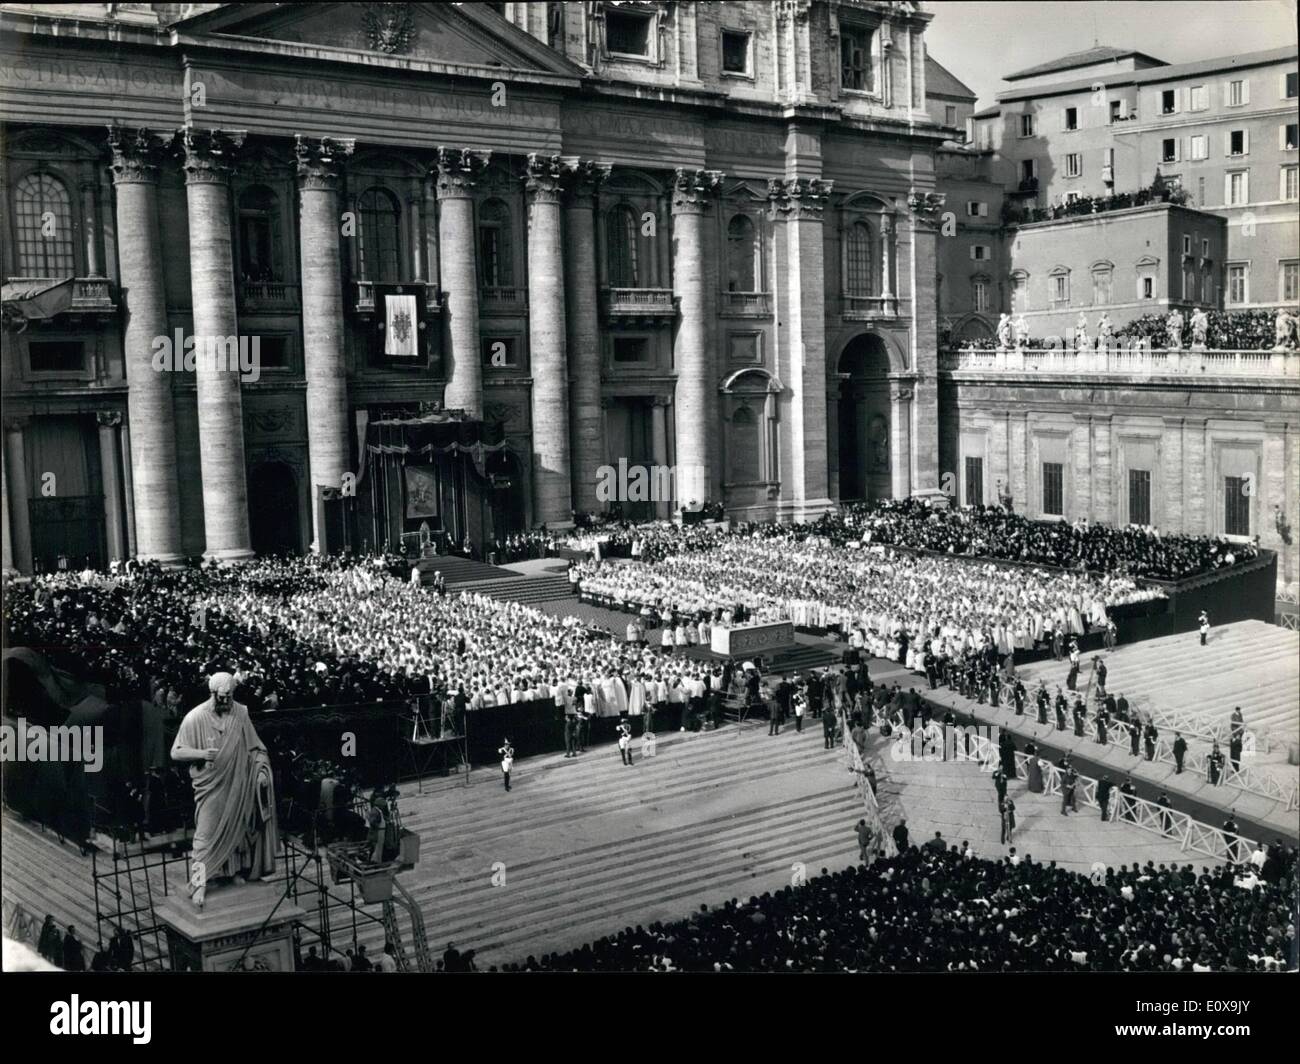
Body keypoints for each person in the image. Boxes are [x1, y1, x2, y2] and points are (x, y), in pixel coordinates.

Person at [170, 672, 278, 909]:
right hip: (211, 788)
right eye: (222, 697)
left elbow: (256, 748)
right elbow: (176, 751)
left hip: (238, 783)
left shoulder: (240, 713)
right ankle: (198, 883)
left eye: (230, 696)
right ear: (213, 694)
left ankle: (233, 873)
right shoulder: (195, 718)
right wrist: (200, 754)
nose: (227, 701)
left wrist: (261, 772)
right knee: (204, 838)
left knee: (239, 832)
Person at [1229, 707, 1245, 771]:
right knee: (1234, 742)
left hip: (1239, 730)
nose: (1239, 711)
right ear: (1236, 710)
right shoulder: (1233, 715)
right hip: (1235, 730)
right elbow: (1233, 723)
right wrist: (1235, 731)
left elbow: (1242, 721)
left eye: (1239, 710)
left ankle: (1236, 768)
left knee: (1238, 742)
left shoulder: (1240, 714)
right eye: (1238, 710)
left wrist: (1241, 729)